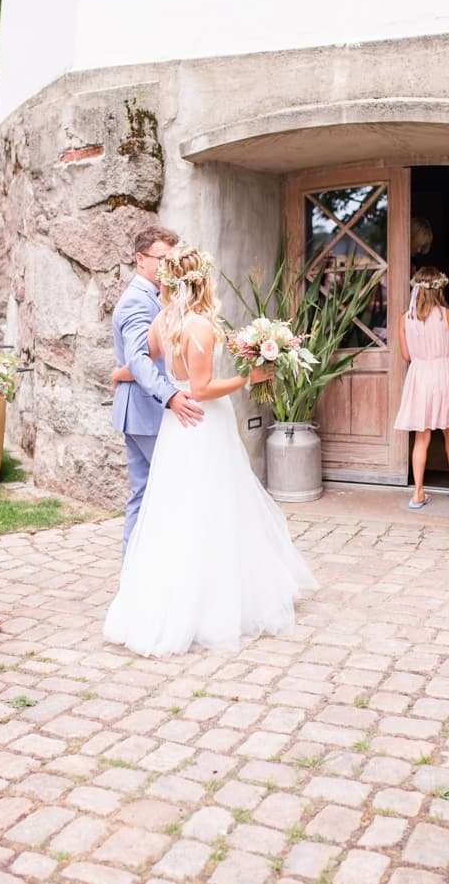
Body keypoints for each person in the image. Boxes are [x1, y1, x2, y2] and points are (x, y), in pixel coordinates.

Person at [103, 245, 316, 656]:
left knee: (177, 507)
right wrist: (247, 379)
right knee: (212, 506)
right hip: (200, 421)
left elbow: (143, 359)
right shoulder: (198, 324)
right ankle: (209, 605)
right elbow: (201, 390)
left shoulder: (165, 320)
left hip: (175, 424)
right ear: (203, 282)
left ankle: (172, 595)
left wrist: (121, 373)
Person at [111, 226, 203, 557]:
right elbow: (138, 360)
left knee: (146, 493)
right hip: (146, 410)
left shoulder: (158, 295)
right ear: (140, 259)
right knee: (169, 490)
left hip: (139, 410)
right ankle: (145, 569)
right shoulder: (137, 301)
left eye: (171, 260)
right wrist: (171, 395)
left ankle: (137, 570)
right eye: (162, 259)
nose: (167, 267)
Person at [394, 266, 449, 508]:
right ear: (440, 288)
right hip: (443, 373)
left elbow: (406, 356)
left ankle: (418, 492)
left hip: (419, 375)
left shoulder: (405, 318)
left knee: (422, 436)